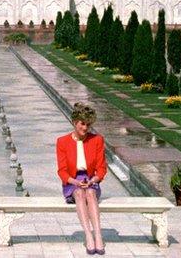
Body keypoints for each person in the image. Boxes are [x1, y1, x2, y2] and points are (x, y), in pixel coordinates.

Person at [56, 102, 107, 255]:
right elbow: (62, 172)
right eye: (82, 124)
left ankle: (98, 235)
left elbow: (102, 169)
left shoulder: (97, 140)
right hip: (72, 181)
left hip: (91, 179)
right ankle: (88, 235)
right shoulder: (62, 142)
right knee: (79, 193)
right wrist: (76, 182)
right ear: (74, 122)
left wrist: (92, 181)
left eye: (88, 125)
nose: (85, 128)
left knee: (90, 193)